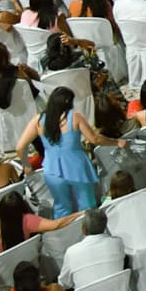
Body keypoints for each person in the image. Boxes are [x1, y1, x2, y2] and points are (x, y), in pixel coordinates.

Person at [17, 86, 124, 215]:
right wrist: (116, 142)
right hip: (77, 168)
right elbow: (94, 139)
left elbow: (20, 147)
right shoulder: (74, 117)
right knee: (87, 207)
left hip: (52, 170)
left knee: (62, 209)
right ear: (68, 102)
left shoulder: (38, 120)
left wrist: (27, 166)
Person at [57, 210, 127, 291]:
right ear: (105, 226)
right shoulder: (117, 243)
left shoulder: (71, 252)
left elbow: (64, 283)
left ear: (83, 229)